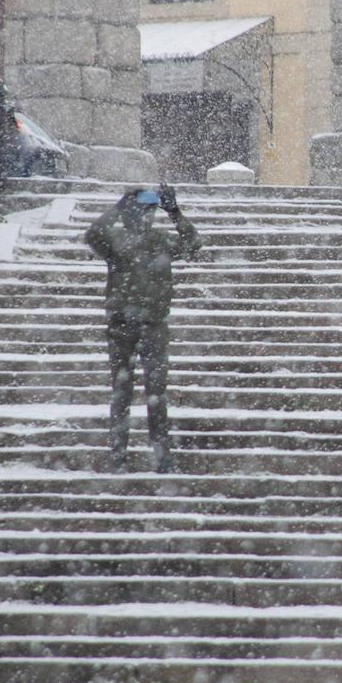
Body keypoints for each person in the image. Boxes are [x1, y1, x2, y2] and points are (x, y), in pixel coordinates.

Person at [85, 184, 201, 474]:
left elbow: (193, 243)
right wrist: (116, 208)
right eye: (140, 211)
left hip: (153, 326)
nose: (144, 217)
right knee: (122, 393)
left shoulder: (160, 241)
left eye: (149, 211)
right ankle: (118, 457)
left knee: (156, 394)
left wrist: (174, 212)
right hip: (122, 326)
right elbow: (92, 235)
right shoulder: (116, 240)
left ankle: (162, 458)